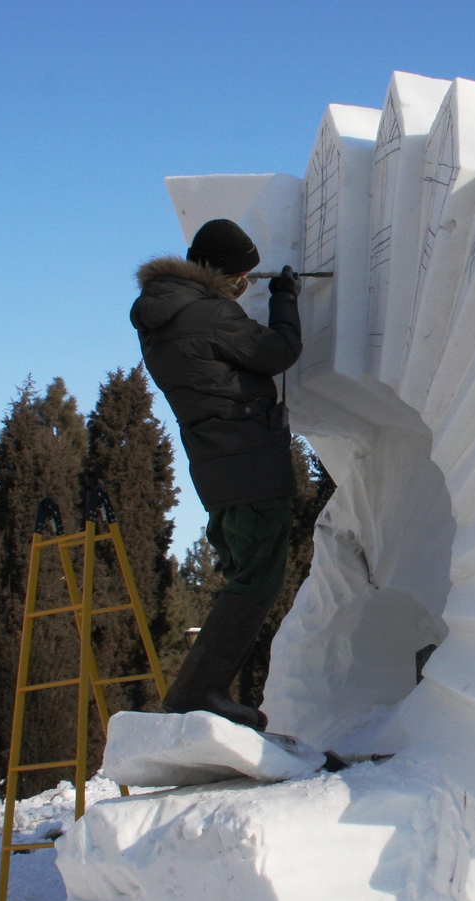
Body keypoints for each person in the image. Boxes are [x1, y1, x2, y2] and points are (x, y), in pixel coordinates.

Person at [130, 219, 302, 731]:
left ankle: (197, 689)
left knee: (244, 571)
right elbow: (277, 352)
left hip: (216, 466)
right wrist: (285, 299)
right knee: (258, 577)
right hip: (248, 459)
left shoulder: (162, 314)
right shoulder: (207, 315)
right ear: (226, 273)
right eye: (243, 275)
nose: (244, 284)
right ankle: (197, 690)